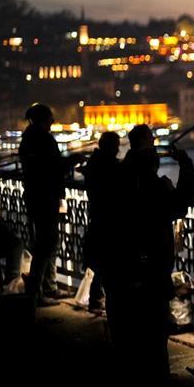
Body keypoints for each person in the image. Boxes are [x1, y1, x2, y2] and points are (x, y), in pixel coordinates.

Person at [104, 140, 194, 387]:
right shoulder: (158, 189)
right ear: (154, 166)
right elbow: (181, 204)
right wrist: (186, 165)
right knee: (155, 345)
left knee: (128, 342)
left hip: (122, 275)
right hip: (152, 276)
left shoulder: (120, 189)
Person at [18, 103, 83, 306]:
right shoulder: (42, 139)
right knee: (46, 244)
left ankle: (47, 287)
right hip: (45, 197)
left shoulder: (28, 138)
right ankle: (37, 291)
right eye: (49, 119)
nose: (53, 122)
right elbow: (52, 167)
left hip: (35, 196)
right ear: (42, 120)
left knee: (45, 243)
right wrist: (73, 160)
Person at [80, 131, 121, 314]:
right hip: (108, 218)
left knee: (100, 260)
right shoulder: (109, 165)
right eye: (117, 146)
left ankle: (97, 298)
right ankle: (101, 299)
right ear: (112, 147)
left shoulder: (94, 162)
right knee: (108, 260)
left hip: (97, 215)